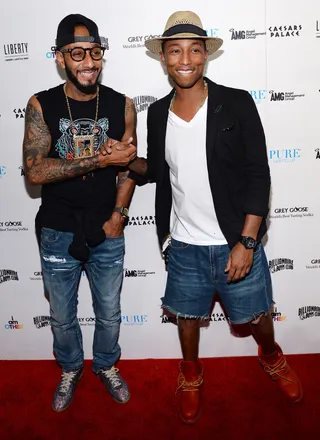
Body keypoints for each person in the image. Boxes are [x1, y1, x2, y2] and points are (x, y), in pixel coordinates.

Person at [108, 10, 303, 424]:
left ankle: (271, 356)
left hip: (235, 239)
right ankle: (191, 373)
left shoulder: (236, 102)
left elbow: (257, 174)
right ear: (163, 57)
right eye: (175, 50)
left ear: (205, 55)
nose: (185, 59)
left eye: (194, 49)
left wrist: (248, 242)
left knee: (258, 317)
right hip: (183, 244)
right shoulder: (158, 112)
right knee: (188, 320)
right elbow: (159, 174)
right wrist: (128, 160)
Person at [23, 14, 137, 412]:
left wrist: (119, 215)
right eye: (77, 53)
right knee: (61, 316)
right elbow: (35, 171)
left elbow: (127, 169)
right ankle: (71, 367)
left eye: (94, 52)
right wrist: (96, 161)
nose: (88, 61)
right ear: (60, 58)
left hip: (107, 230)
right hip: (57, 230)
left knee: (109, 313)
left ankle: (106, 365)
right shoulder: (42, 104)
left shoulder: (123, 105)